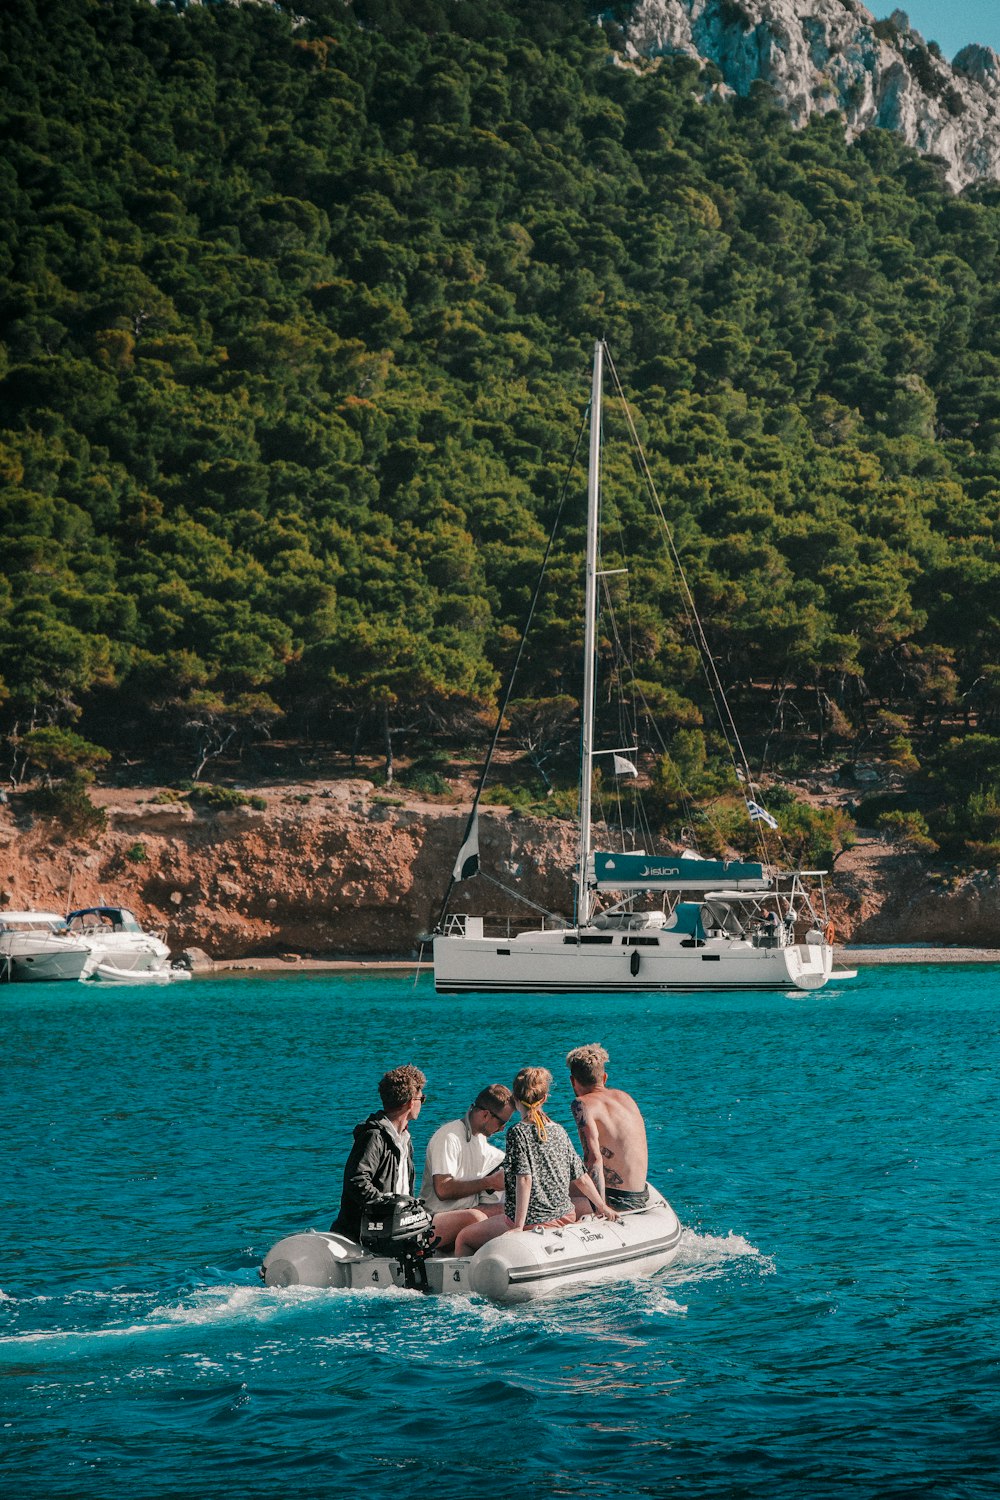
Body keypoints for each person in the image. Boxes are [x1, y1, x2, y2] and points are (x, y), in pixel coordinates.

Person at [454, 1066, 617, 1257]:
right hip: (566, 1216)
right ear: (544, 1098)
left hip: (533, 1221)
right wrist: (602, 1206)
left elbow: (524, 1179)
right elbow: (581, 1177)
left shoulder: (517, 1133)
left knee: (464, 1238)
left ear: (515, 1100)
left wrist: (519, 1226)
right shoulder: (558, 1131)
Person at [330, 1064, 426, 1242]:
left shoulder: (404, 1139)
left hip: (394, 1232)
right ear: (411, 1102)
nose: (422, 1103)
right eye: (422, 1098)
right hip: (364, 1234)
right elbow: (357, 1180)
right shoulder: (374, 1136)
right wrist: (387, 1208)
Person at [418, 1084, 515, 1248]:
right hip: (435, 1219)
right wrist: (489, 1183)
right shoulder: (449, 1137)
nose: (503, 1128)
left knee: (514, 1211)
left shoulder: (480, 1139)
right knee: (475, 1218)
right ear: (485, 1115)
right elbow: (443, 1189)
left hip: (468, 1210)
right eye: (502, 1122)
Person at [565, 1043, 650, 1215]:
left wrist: (600, 1208)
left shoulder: (582, 1104)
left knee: (545, 1193)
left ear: (573, 1081)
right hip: (640, 1195)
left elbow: (594, 1158)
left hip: (615, 1199)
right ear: (604, 1078)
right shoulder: (625, 1097)